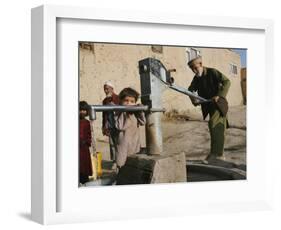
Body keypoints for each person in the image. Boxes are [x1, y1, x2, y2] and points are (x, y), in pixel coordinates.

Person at [187, 56, 231, 162]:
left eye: (195, 68)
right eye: (192, 69)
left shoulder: (212, 72)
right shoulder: (197, 78)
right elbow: (190, 90)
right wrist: (194, 99)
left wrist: (219, 95)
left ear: (201, 64)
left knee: (215, 125)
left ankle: (217, 155)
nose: (194, 71)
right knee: (215, 128)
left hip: (218, 104)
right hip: (209, 105)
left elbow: (227, 81)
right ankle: (216, 153)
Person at [114, 87, 146, 171]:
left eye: (132, 101)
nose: (129, 103)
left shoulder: (135, 112)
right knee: (122, 165)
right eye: (126, 100)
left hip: (134, 143)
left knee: (134, 165)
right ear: (121, 101)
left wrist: (140, 111)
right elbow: (120, 126)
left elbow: (143, 122)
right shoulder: (119, 112)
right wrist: (125, 113)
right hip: (123, 145)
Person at [102, 81, 119, 169]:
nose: (105, 90)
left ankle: (120, 161)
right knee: (112, 145)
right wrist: (104, 127)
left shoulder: (118, 98)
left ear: (112, 89)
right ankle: (114, 161)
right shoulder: (105, 101)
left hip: (118, 125)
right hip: (110, 125)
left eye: (107, 88)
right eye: (104, 88)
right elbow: (104, 115)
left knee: (119, 144)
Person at [79, 101, 93, 184]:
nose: (82, 112)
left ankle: (84, 180)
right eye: (80, 110)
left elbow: (89, 135)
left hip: (84, 148)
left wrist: (87, 142)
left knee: (84, 166)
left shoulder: (87, 122)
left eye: (84, 110)